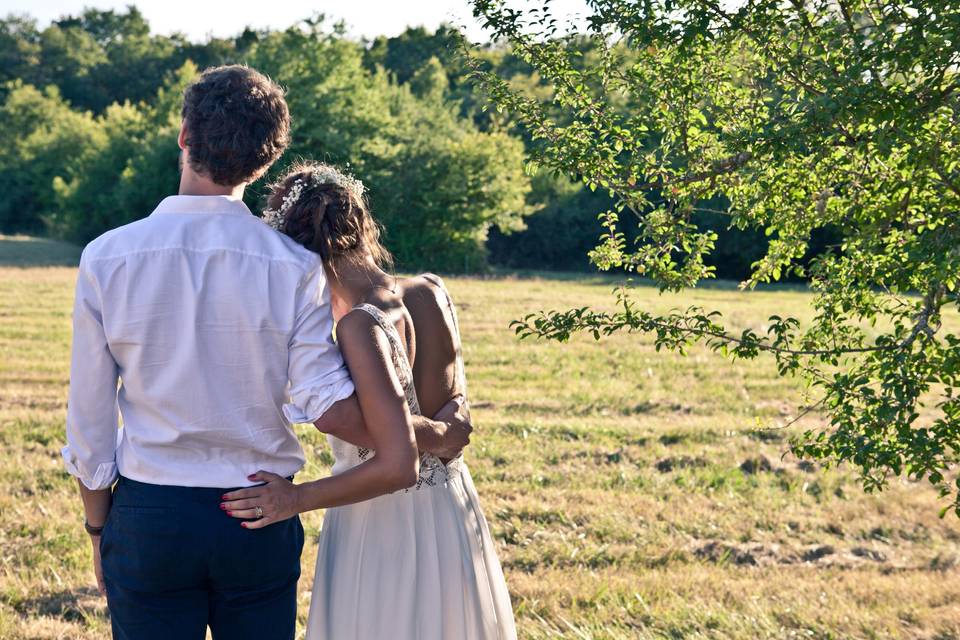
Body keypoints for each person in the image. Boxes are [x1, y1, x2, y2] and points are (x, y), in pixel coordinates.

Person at [62, 65, 470, 640]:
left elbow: (90, 421)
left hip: (150, 515)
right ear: (266, 162)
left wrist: (98, 529)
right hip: (258, 513)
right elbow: (323, 401)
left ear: (184, 136)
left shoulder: (106, 257)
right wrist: (429, 433)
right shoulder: (295, 265)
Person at [221, 162, 517, 639]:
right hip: (452, 509)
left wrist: (296, 497)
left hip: (381, 523)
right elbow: (454, 409)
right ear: (361, 222)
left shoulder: (356, 326)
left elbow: (393, 458)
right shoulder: (430, 290)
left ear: (296, 249)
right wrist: (444, 433)